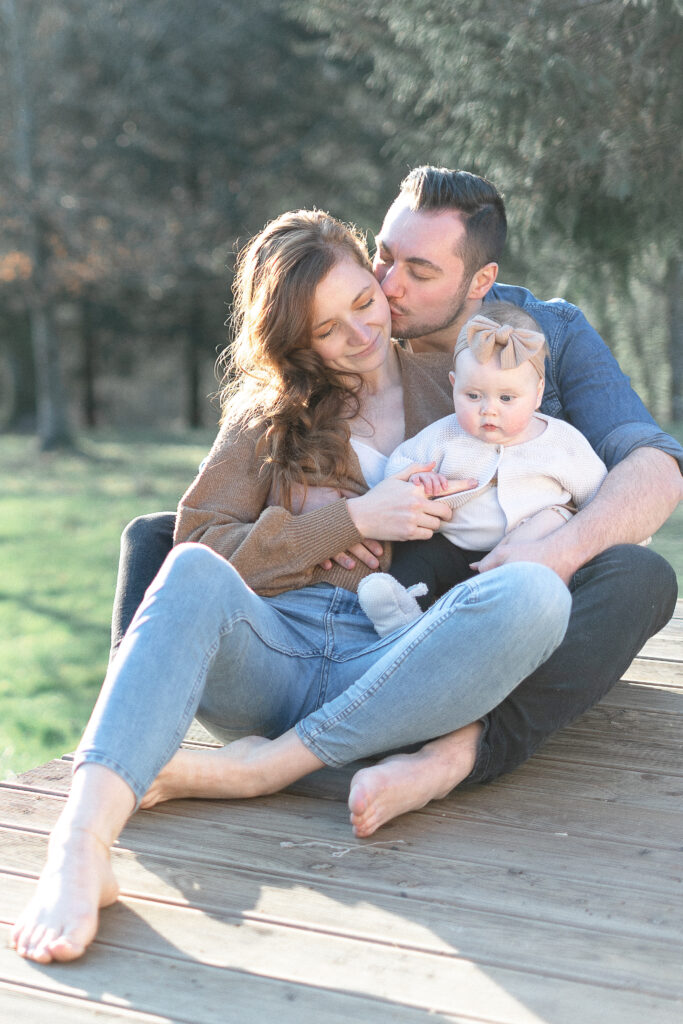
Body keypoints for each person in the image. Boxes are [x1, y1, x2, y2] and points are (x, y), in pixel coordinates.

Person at [11, 210, 573, 965]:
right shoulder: (264, 417)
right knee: (189, 572)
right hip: (271, 658)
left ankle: (267, 768)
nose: (358, 335)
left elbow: (541, 487)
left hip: (392, 662)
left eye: (363, 305)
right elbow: (195, 546)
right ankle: (79, 846)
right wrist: (346, 521)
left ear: (378, 286)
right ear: (291, 341)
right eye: (324, 328)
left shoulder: (456, 392)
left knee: (538, 596)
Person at [110, 165, 680, 831]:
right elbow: (222, 512)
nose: (387, 287)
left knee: (636, 577)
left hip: (464, 603)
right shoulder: (338, 340)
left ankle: (456, 752)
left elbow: (655, 467)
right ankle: (128, 744)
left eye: (419, 271)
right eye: (381, 257)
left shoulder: (545, 335)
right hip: (341, 615)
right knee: (157, 540)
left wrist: (554, 545)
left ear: (479, 283)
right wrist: (333, 520)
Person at [358, 301, 608, 636]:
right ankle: (401, 610)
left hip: (526, 553)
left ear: (537, 394)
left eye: (507, 399)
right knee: (417, 554)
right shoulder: (445, 434)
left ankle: (507, 630)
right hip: (453, 546)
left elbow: (599, 496)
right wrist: (420, 479)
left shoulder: (562, 442)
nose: (488, 411)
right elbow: (398, 468)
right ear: (453, 384)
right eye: (473, 396)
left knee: (542, 586)